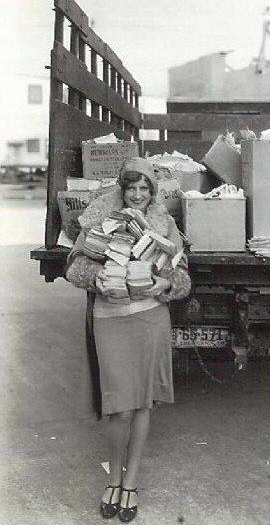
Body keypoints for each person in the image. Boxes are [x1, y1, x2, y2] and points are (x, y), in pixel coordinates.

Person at [65, 157, 191, 522]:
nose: (137, 195)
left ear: (153, 192)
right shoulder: (100, 221)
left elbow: (181, 271)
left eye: (144, 189)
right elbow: (74, 264)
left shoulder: (164, 222)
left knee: (142, 405)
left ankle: (130, 484)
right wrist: (96, 276)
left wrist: (167, 282)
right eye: (131, 188)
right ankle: (113, 479)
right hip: (110, 319)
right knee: (118, 406)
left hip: (152, 317)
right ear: (122, 188)